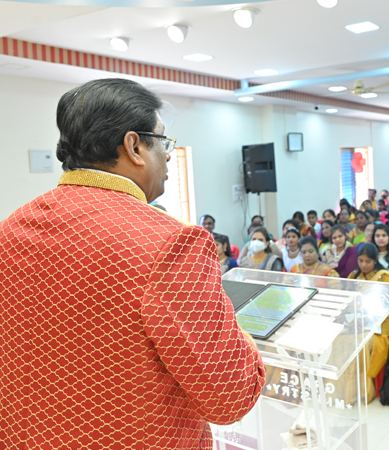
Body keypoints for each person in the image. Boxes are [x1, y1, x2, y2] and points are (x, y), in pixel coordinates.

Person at [0, 78, 264, 448]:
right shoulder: (170, 243)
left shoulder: (10, 230)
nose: (169, 155)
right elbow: (230, 394)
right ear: (134, 145)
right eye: (163, 141)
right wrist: (247, 342)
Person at [348, 242, 389, 402]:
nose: (363, 265)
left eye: (368, 261)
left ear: (375, 261)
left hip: (379, 323)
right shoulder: (354, 276)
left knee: (364, 343)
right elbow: (349, 303)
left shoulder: (384, 277)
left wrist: (368, 318)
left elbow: (388, 307)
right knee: (342, 341)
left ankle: (364, 392)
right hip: (357, 321)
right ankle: (348, 392)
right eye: (360, 261)